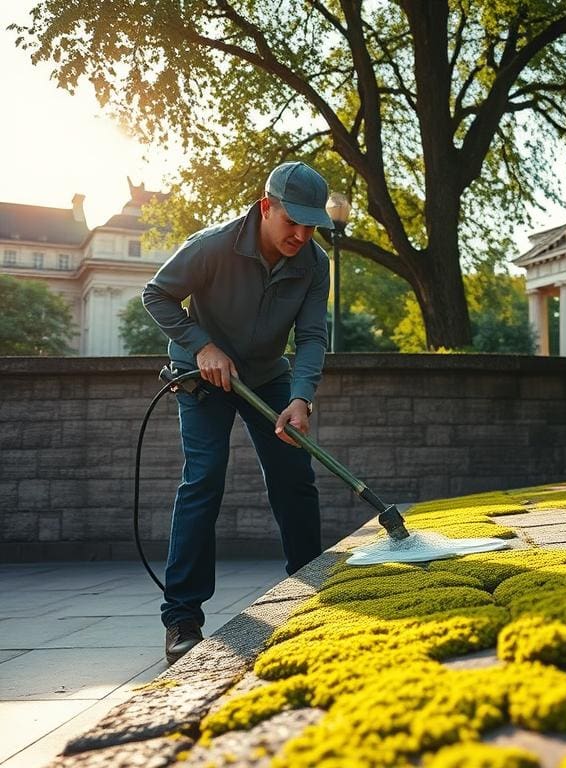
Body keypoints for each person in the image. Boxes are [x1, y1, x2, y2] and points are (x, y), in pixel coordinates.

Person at [143, 161, 333, 665]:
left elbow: (313, 336)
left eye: (311, 225)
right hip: (201, 374)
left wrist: (301, 396)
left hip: (268, 376)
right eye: (293, 221)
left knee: (295, 474)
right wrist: (201, 345)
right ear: (266, 206)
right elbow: (156, 295)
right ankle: (182, 616)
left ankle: (312, 593)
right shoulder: (214, 244)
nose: (301, 234)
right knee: (204, 478)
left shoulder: (314, 263)